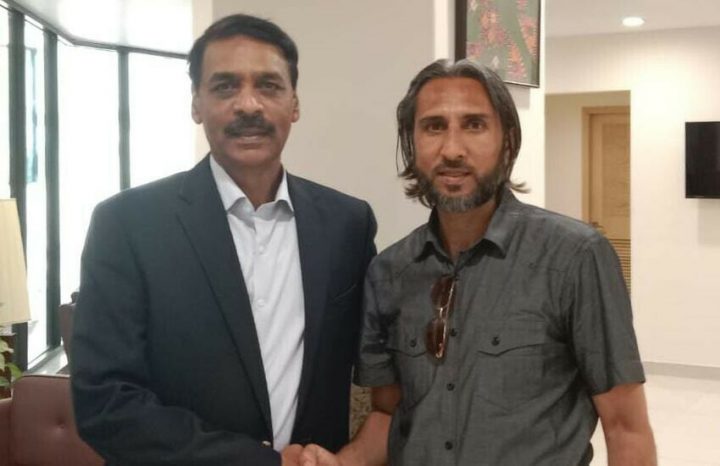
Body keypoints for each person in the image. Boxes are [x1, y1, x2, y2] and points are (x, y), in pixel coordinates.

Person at [300, 59, 656, 465]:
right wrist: (343, 462)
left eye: (474, 125)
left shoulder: (574, 257)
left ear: (507, 141)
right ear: (412, 144)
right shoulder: (389, 272)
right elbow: (388, 414)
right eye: (434, 126)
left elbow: (626, 428)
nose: (452, 150)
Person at [70, 14, 376, 466]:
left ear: (294, 104)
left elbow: (381, 362)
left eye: (269, 86)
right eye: (225, 86)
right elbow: (105, 403)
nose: (248, 105)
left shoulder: (347, 224)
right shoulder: (127, 225)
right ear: (197, 104)